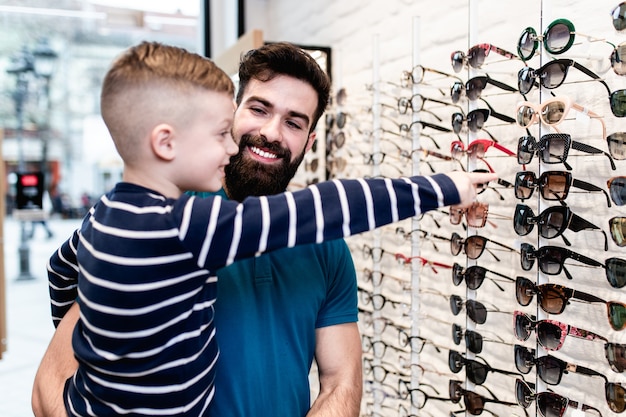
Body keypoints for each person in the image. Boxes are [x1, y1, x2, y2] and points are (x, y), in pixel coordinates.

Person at [31, 40, 495, 417]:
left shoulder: (324, 249)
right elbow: (51, 384)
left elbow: (340, 383)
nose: (272, 132)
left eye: (293, 122)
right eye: (258, 108)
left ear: (309, 142)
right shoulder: (177, 220)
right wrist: (447, 187)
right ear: (230, 113)